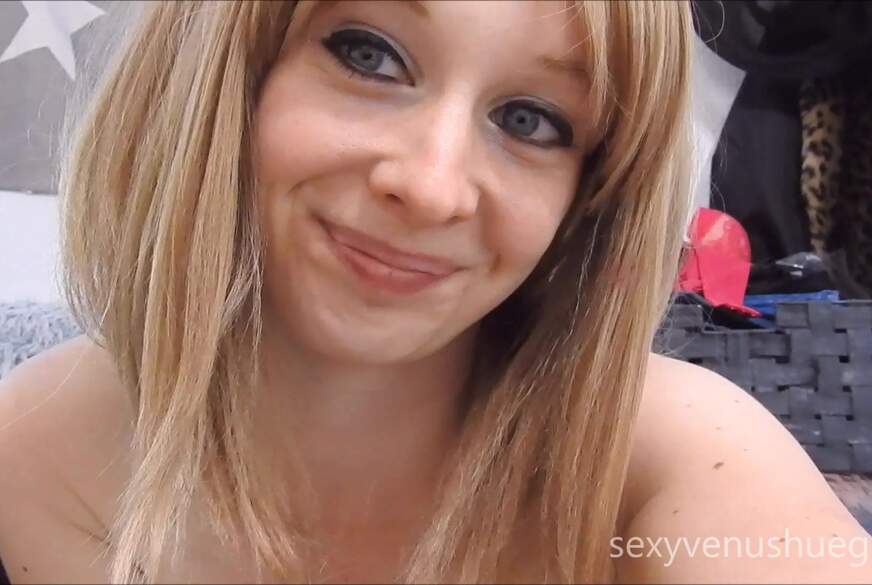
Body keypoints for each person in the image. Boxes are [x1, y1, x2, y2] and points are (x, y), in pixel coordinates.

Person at [0, 1, 869, 583]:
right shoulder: (33, 460)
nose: (430, 187)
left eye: (529, 120)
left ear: (589, 202)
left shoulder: (673, 459)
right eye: (368, 55)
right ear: (229, 72)